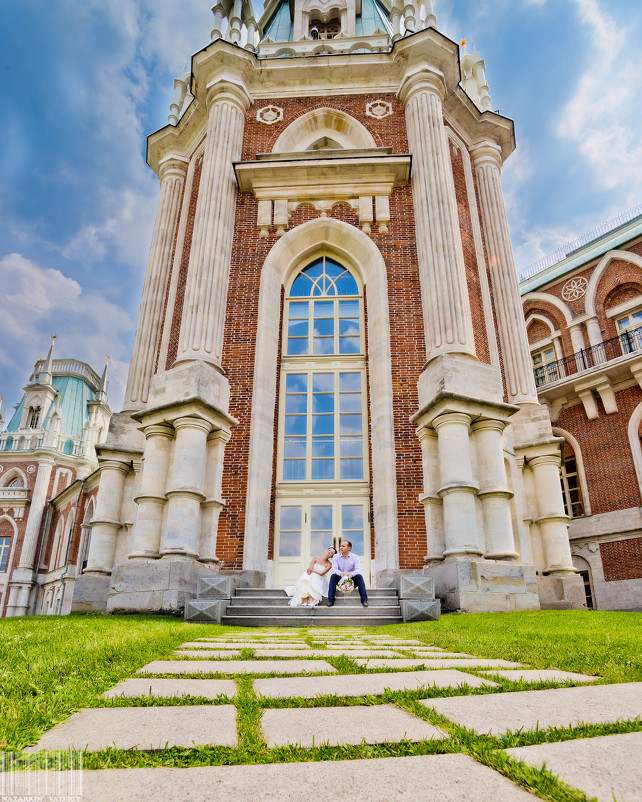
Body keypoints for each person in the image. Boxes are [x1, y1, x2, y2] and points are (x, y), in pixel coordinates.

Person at [327, 539, 368, 607]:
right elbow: (334, 569)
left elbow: (358, 570)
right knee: (333, 576)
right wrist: (340, 573)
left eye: (343, 546)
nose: (341, 547)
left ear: (349, 548)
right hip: (340, 579)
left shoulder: (355, 557)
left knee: (359, 577)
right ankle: (331, 600)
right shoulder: (336, 557)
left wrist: (351, 574)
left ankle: (364, 600)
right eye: (340, 546)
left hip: (351, 579)